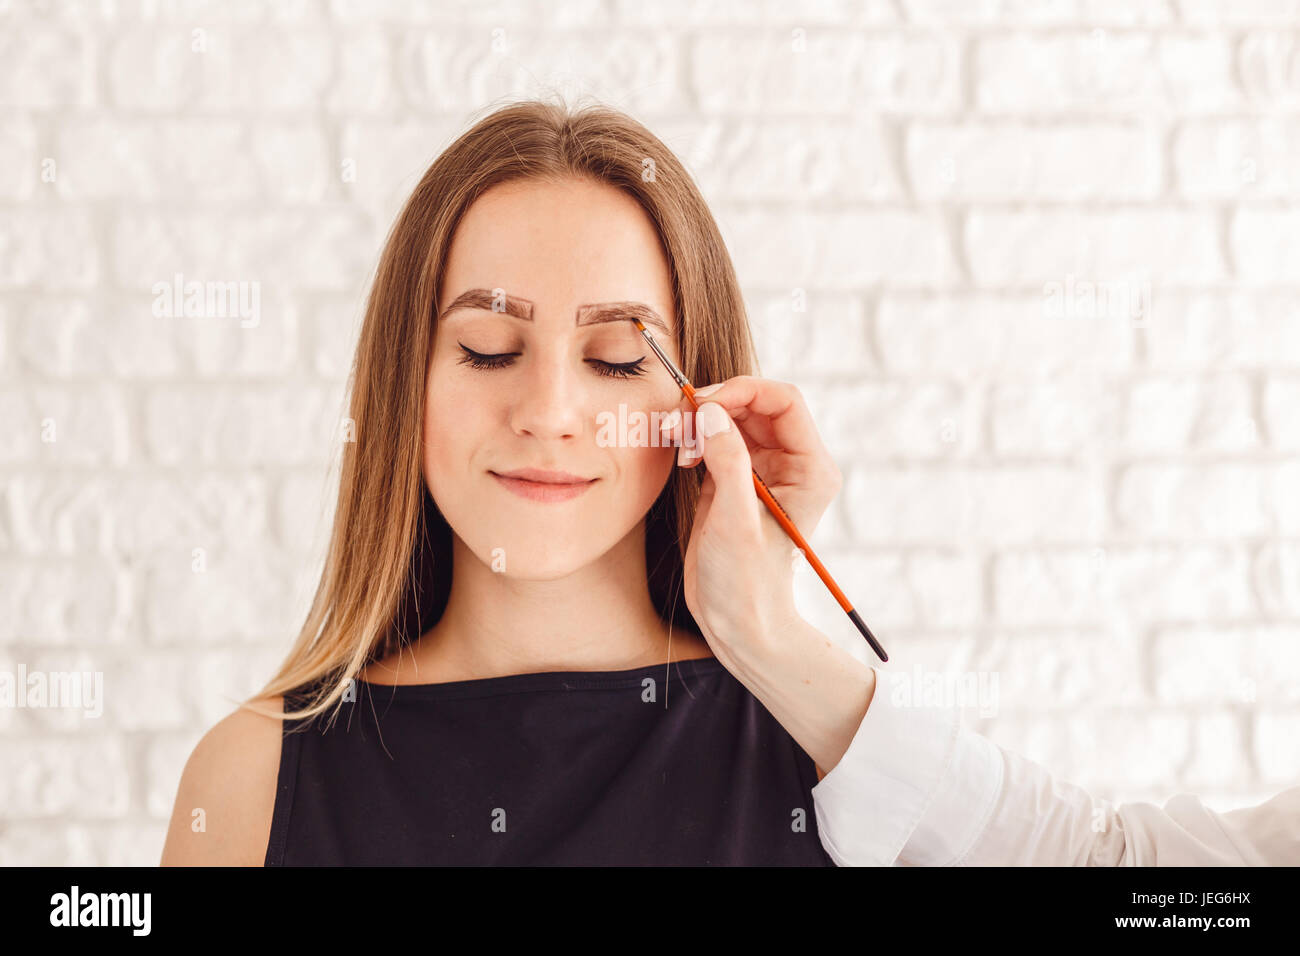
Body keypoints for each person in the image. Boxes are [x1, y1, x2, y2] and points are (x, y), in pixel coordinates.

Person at [160, 97, 1298, 866]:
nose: (550, 408)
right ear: (400, 384)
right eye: (488, 350)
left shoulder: (836, 756)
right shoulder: (254, 777)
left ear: (696, 407)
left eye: (616, 358)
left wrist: (777, 637)